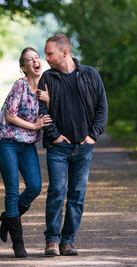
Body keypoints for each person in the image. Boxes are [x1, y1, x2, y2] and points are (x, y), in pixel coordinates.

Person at [37, 34, 108, 256]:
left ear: (65, 52)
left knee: (77, 194)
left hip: (83, 147)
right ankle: (52, 240)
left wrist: (93, 136)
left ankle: (68, 241)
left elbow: (101, 108)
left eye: (50, 53)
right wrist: (55, 135)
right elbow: (43, 110)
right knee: (57, 191)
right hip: (58, 147)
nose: (46, 58)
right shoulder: (47, 77)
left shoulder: (90, 74)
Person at [0, 47, 52, 258]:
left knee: (35, 187)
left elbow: (54, 112)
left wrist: (50, 100)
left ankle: (8, 218)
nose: (35, 61)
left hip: (27, 145)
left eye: (36, 58)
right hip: (7, 142)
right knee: (12, 190)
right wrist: (35, 126)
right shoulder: (20, 85)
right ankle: (18, 243)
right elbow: (9, 115)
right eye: (29, 60)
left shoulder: (46, 87)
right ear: (23, 67)